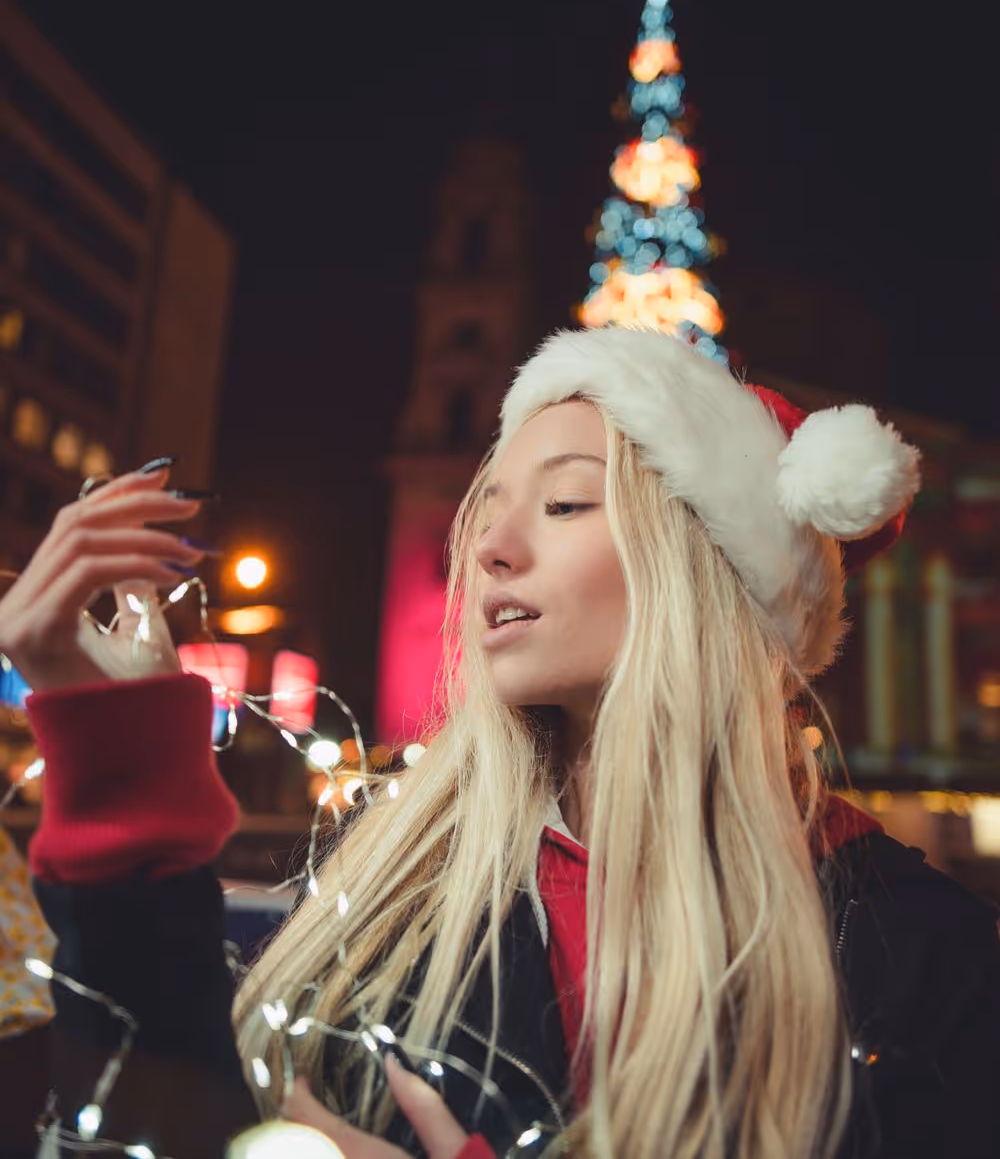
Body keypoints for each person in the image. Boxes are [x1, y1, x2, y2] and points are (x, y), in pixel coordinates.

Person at [3, 328, 998, 1159]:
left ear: (710, 570)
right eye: (485, 507)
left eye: (564, 503)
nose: (488, 547)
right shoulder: (390, 884)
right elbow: (161, 1111)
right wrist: (123, 750)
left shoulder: (923, 958)